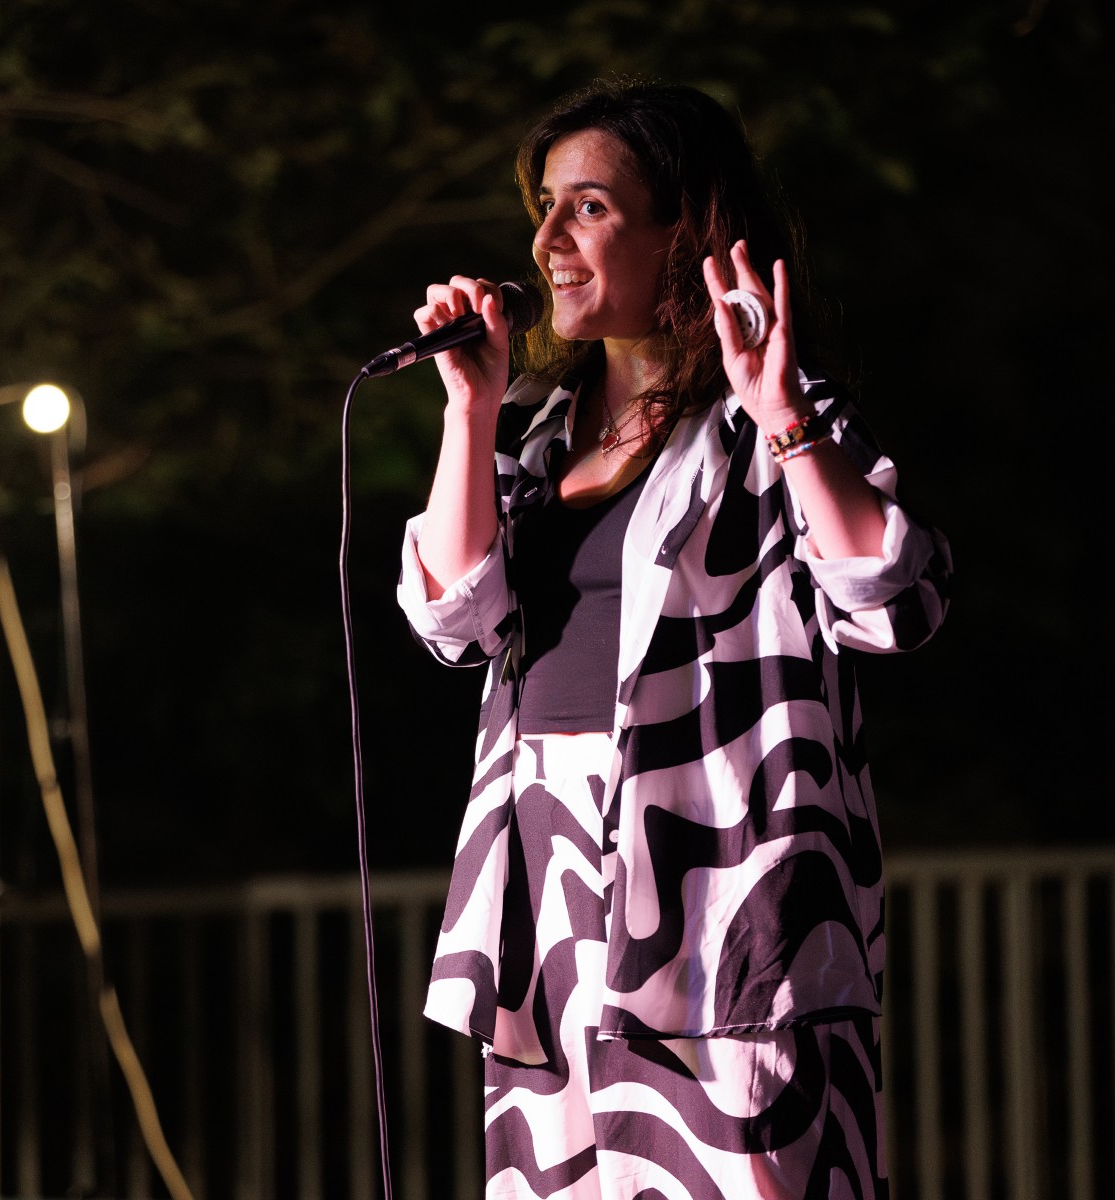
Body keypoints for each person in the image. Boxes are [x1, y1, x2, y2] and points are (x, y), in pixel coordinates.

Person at [395, 80, 951, 1200]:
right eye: (546, 208)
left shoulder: (771, 419)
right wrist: (470, 406)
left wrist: (784, 416)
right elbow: (454, 618)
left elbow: (893, 600)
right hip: (548, 890)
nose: (549, 240)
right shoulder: (537, 439)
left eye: (590, 207)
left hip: (723, 885)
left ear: (681, 233)